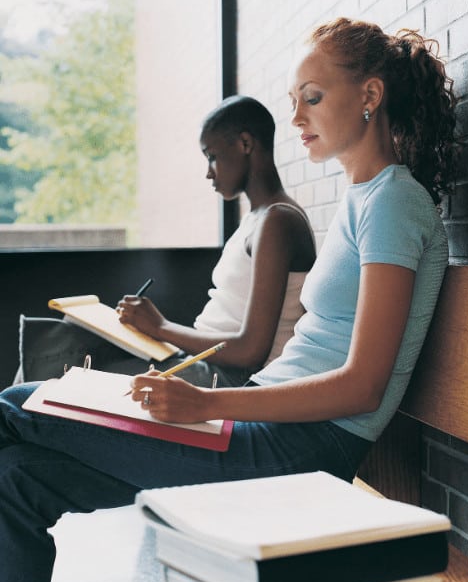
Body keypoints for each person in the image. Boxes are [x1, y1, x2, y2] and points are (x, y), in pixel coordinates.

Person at [0, 17, 460, 582]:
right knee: (16, 477)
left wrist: (207, 402)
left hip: (300, 448)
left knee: (17, 405)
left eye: (312, 99)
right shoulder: (365, 199)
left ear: (370, 96)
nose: (295, 119)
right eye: (294, 102)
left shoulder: (394, 202)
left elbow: (363, 388)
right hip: (267, 431)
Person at [16, 94, 316, 388]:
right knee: (70, 337)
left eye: (212, 156)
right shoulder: (257, 219)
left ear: (245, 144)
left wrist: (161, 328)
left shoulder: (278, 220)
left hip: (229, 379)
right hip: (202, 362)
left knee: (71, 376)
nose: (208, 172)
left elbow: (250, 352)